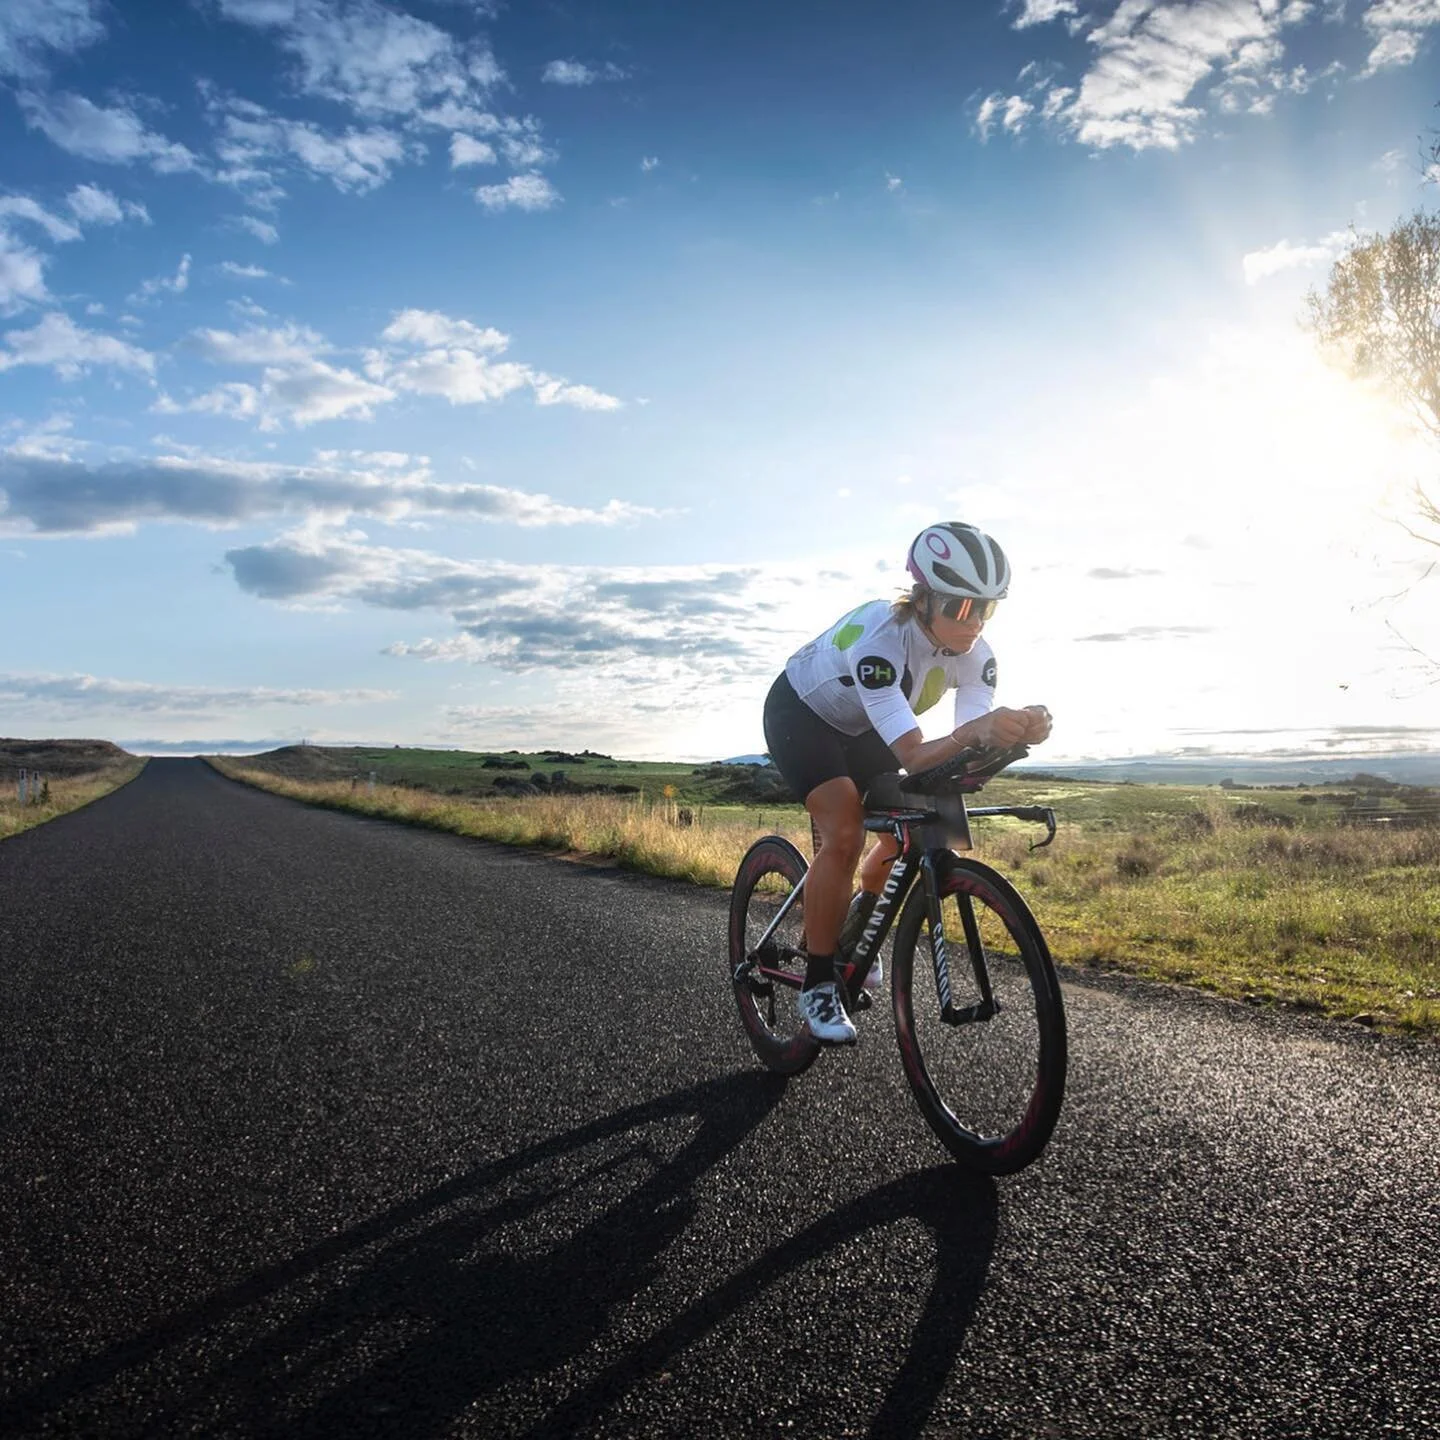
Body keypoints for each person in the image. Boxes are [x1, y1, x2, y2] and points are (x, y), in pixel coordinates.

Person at [762, 522, 1053, 1044]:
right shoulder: (881, 642)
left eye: (987, 609)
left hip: (865, 729)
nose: (975, 622)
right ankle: (819, 980)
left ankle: (858, 921)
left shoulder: (978, 657)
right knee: (845, 832)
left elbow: (968, 744)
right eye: (960, 608)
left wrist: (1014, 731)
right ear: (923, 599)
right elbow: (918, 754)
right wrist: (974, 732)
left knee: (907, 827)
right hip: (803, 716)